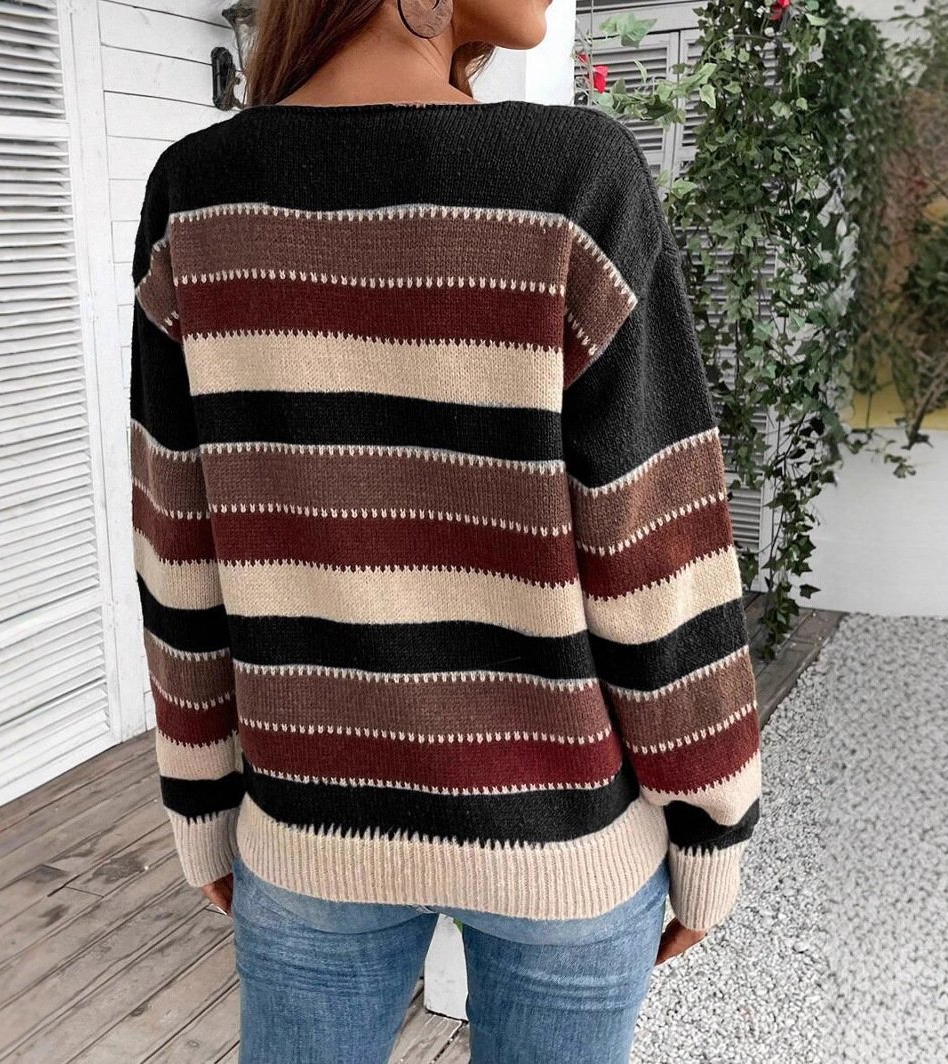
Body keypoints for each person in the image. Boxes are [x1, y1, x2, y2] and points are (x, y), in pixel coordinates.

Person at [129, 1, 762, 1061]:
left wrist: (201, 802)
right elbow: (656, 550)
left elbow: (175, 548)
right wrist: (712, 825)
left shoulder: (194, 195)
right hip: (564, 846)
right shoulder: (575, 179)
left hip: (306, 833)